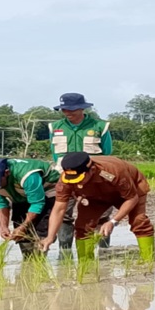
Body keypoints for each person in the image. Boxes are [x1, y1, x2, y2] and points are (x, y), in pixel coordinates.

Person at [39, 152, 155, 262]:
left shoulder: (112, 171)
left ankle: (148, 261)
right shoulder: (66, 180)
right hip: (94, 197)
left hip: (129, 191)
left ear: (92, 170)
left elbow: (131, 198)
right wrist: (50, 236)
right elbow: (59, 209)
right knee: (83, 227)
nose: (75, 183)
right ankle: (85, 265)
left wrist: (113, 221)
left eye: (79, 179)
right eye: (71, 180)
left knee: (139, 221)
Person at [49, 93, 113, 254]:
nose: (67, 113)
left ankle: (103, 252)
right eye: (64, 109)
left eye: (72, 109)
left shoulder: (99, 127)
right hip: (65, 177)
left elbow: (107, 154)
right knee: (63, 213)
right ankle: (65, 255)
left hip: (94, 178)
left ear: (82, 108)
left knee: (101, 214)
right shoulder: (55, 127)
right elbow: (55, 154)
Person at [0, 158, 59, 258]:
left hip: (45, 189)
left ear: (6, 173)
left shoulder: (27, 175)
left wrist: (23, 226)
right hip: (19, 194)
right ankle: (28, 260)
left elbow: (37, 203)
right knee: (20, 229)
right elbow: (0, 204)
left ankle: (40, 258)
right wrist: (4, 227)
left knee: (41, 227)